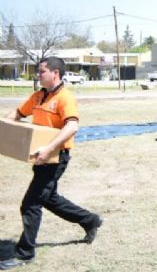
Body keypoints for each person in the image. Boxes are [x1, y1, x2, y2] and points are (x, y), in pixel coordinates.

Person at [0, 57, 103, 270]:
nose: (38, 75)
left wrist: (48, 150)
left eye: (41, 72)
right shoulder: (38, 97)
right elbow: (17, 114)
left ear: (55, 73)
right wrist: (5, 129)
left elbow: (72, 127)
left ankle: (24, 253)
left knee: (31, 204)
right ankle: (90, 220)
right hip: (40, 156)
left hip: (55, 158)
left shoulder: (65, 97)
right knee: (49, 198)